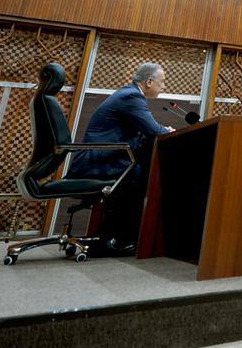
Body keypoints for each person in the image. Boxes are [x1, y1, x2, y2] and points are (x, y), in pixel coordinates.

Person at [67, 62, 173, 253]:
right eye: (162, 82)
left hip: (103, 159)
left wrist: (162, 130)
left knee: (143, 173)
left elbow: (144, 131)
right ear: (149, 82)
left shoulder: (127, 94)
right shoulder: (132, 97)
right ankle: (118, 239)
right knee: (148, 179)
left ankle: (112, 235)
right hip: (99, 163)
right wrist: (168, 131)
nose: (164, 86)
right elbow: (154, 131)